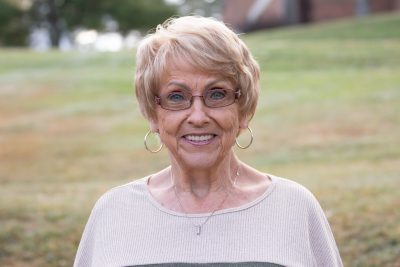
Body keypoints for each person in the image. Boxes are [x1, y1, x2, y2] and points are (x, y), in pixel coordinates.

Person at [74, 16, 343, 267]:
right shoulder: (113, 212)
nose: (199, 117)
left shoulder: (293, 207)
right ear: (153, 114)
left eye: (217, 94)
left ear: (244, 109)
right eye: (176, 97)